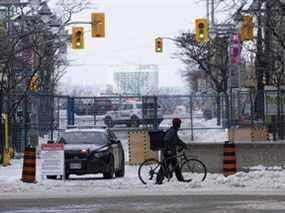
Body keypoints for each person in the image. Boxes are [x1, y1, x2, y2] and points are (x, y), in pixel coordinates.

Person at [156, 117, 188, 184]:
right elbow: (166, 140)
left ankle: (180, 179)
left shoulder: (174, 131)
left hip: (171, 152)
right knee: (165, 167)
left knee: (175, 166)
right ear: (177, 124)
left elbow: (177, 140)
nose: (180, 125)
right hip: (168, 152)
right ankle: (158, 180)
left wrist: (183, 145)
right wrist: (168, 150)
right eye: (179, 124)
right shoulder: (172, 131)